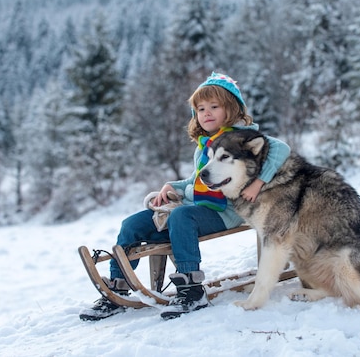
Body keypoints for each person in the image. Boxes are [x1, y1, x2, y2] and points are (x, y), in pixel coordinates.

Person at [79, 72, 290, 321]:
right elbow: (196, 181)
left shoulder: (238, 138)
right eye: (201, 108)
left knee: (181, 216)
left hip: (226, 211)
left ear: (231, 109)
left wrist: (258, 183)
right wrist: (172, 187)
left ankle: (191, 290)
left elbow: (281, 148)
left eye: (214, 106)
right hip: (197, 208)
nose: (206, 113)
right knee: (133, 225)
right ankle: (116, 288)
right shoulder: (205, 145)